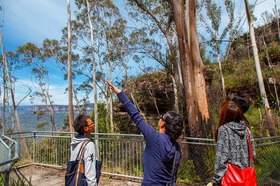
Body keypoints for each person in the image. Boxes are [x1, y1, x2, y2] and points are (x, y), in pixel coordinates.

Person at [105, 80, 184, 186]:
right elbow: (173, 176)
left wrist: (119, 92)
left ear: (163, 124)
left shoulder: (154, 137)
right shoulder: (177, 147)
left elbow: (135, 115)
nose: (159, 119)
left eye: (161, 117)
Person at [208, 100, 256, 186]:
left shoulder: (224, 130)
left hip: (230, 178)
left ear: (224, 114)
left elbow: (222, 158)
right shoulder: (247, 130)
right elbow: (253, 155)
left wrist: (216, 180)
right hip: (247, 179)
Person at [70, 114, 97, 186]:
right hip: (84, 182)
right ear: (86, 128)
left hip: (74, 180)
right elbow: (89, 169)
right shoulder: (89, 144)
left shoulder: (74, 142)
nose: (93, 124)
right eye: (91, 123)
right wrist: (92, 184)